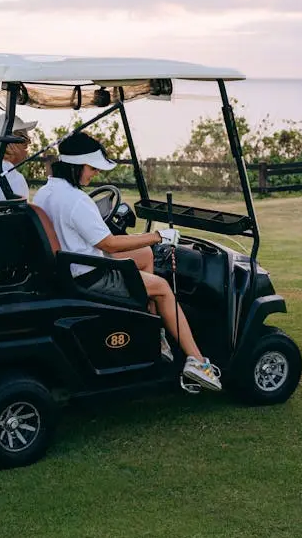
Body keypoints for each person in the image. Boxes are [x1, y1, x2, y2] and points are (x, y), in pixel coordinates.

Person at [34, 131, 222, 392]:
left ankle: (154, 336)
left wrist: (147, 243)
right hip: (90, 276)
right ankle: (198, 362)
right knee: (162, 289)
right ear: (76, 166)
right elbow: (109, 243)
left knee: (144, 255)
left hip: (73, 264)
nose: (95, 174)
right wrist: (157, 236)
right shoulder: (76, 200)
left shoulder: (46, 192)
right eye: (91, 168)